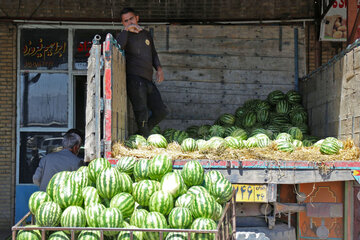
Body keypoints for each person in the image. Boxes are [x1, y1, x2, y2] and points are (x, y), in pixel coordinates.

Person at [116, 7, 169, 137]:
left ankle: (139, 135)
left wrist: (159, 69)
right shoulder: (124, 35)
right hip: (134, 79)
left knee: (161, 111)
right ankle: (143, 141)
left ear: (137, 18)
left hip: (148, 80)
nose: (129, 22)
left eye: (131, 19)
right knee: (142, 113)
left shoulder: (146, 35)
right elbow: (118, 47)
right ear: (123, 23)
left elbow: (153, 53)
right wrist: (126, 31)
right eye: (125, 21)